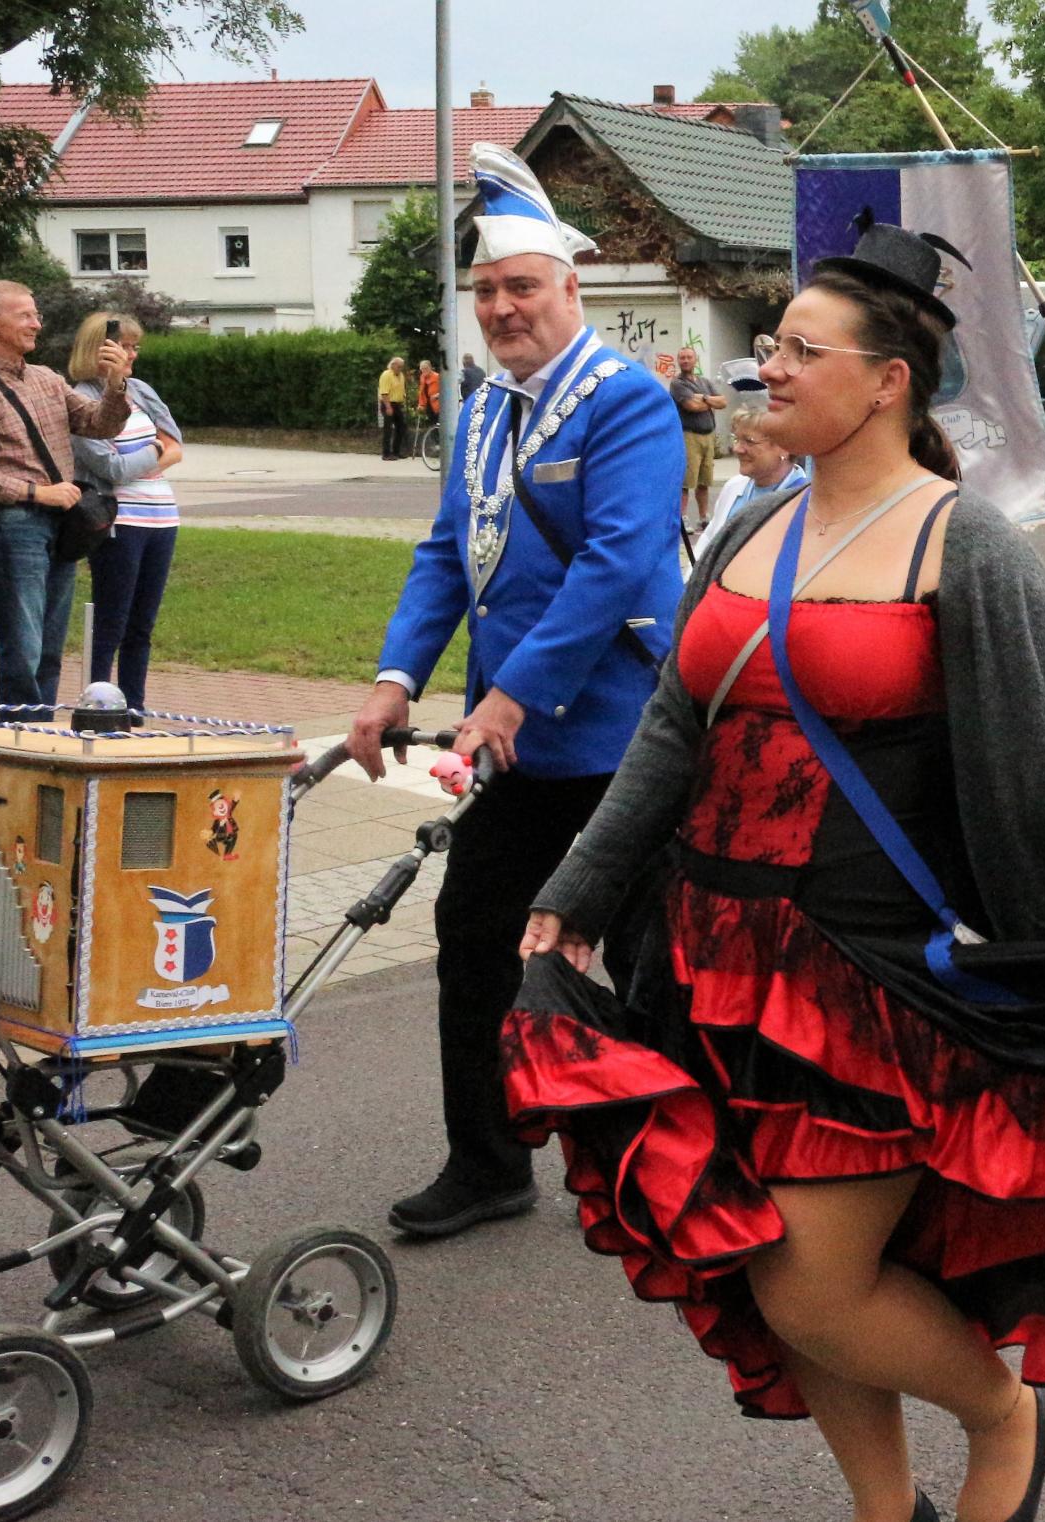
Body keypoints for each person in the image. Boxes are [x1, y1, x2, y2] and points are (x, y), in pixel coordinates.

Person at [506, 215, 1045, 1522]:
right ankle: (888, 1509)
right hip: (713, 966)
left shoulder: (965, 543)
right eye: (774, 345)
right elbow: (667, 739)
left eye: (803, 350)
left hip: (865, 976)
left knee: (811, 1283)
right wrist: (573, 897)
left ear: (888, 380)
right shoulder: (751, 529)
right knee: (776, 1261)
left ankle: (1005, 1416)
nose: (772, 367)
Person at [344, 143, 686, 1238]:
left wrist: (512, 697)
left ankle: (679, 1160)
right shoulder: (485, 408)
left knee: (646, 958)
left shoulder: (625, 402)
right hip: (522, 744)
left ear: (569, 290)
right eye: (486, 290)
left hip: (619, 736)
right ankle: (488, 1162)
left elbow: (618, 564)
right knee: (476, 933)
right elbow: (447, 550)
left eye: (520, 286)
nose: (500, 307)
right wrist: (398, 677)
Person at [0, 279, 133, 721]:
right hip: (15, 524)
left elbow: (98, 425)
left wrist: (116, 383)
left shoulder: (46, 378)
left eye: (36, 314)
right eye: (25, 315)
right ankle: (20, 737)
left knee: (49, 644)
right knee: (22, 645)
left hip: (63, 524)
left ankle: (41, 733)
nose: (36, 323)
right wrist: (36, 491)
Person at [68, 312, 183, 712]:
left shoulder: (142, 391)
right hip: (120, 523)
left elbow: (178, 445)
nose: (132, 355)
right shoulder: (81, 400)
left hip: (162, 519)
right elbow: (110, 468)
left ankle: (134, 711)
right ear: (100, 349)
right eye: (125, 347)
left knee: (142, 627)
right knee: (111, 623)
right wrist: (153, 449)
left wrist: (148, 452)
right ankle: (99, 708)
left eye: (136, 347)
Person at [691, 364, 808, 559]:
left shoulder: (803, 502)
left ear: (784, 447)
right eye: (736, 439)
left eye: (749, 441)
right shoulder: (734, 488)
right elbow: (709, 542)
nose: (737, 449)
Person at [671, 346, 726, 532]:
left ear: (695, 360)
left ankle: (704, 518)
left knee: (704, 481)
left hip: (708, 436)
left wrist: (703, 397)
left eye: (689, 357)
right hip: (689, 436)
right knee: (686, 480)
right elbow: (692, 406)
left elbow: (723, 402)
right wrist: (710, 402)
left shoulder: (704, 382)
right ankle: (682, 518)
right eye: (682, 358)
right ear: (678, 361)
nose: (685, 361)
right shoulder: (678, 384)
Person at [376, 355, 410, 459]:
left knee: (401, 427)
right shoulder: (386, 375)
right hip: (388, 403)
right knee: (388, 429)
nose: (400, 369)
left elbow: (402, 389)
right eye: (399, 366)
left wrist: (403, 400)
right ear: (393, 365)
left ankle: (396, 451)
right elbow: (384, 392)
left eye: (401, 367)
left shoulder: (401, 375)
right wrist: (388, 407)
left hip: (397, 404)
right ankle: (386, 453)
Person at [416, 358, 441, 424]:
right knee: (432, 424)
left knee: (439, 424)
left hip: (438, 405)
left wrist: (437, 395)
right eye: (422, 369)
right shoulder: (422, 377)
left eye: (426, 368)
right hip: (429, 405)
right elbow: (422, 392)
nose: (424, 370)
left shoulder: (437, 377)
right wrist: (421, 404)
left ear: (430, 367)